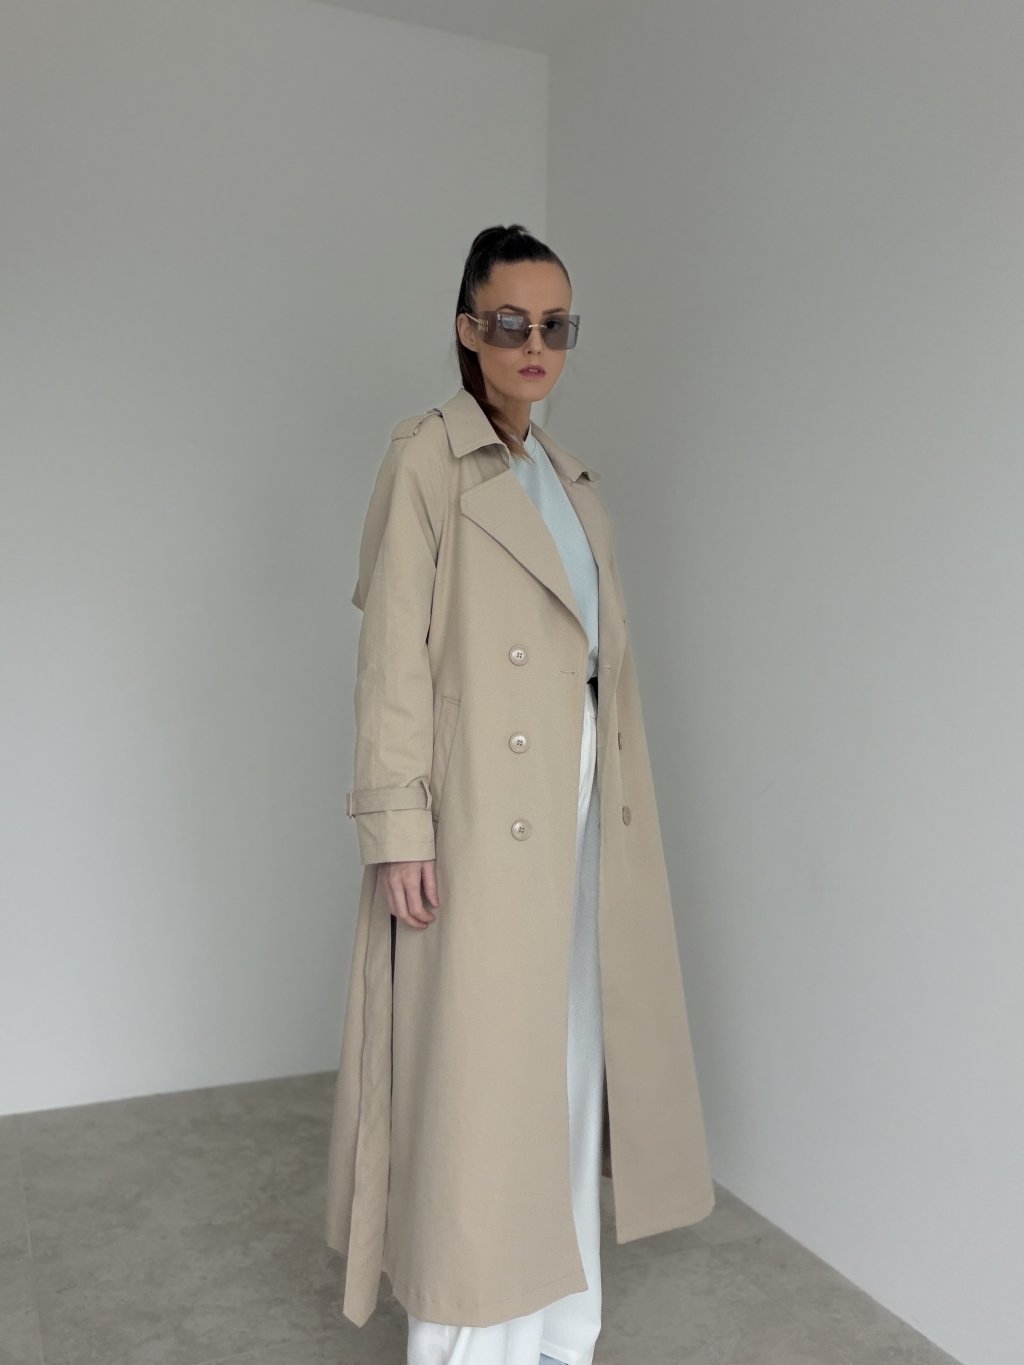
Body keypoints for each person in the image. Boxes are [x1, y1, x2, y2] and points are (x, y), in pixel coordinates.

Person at [325, 225, 716, 1365]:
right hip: (480, 818)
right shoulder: (425, 458)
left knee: (572, 1057)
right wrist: (398, 824)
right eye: (510, 322)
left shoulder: (569, 477)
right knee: (479, 1082)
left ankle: (556, 1326)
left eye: (555, 324)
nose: (534, 343)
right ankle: (463, 1339)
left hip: (586, 807)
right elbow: (393, 658)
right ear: (468, 329)